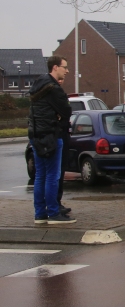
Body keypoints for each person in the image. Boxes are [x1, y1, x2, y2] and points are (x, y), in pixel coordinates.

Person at [28, 56, 75, 225]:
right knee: (53, 176)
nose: (67, 71)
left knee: (40, 176)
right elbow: (67, 111)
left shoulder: (38, 85)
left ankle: (40, 214)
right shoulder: (54, 89)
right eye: (65, 67)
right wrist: (59, 115)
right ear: (55, 67)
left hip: (36, 135)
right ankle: (54, 213)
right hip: (51, 136)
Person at [55, 78, 72, 215]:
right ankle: (55, 205)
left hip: (63, 133)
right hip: (59, 135)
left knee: (59, 172)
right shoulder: (54, 94)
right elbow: (66, 111)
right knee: (56, 173)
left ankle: (56, 203)